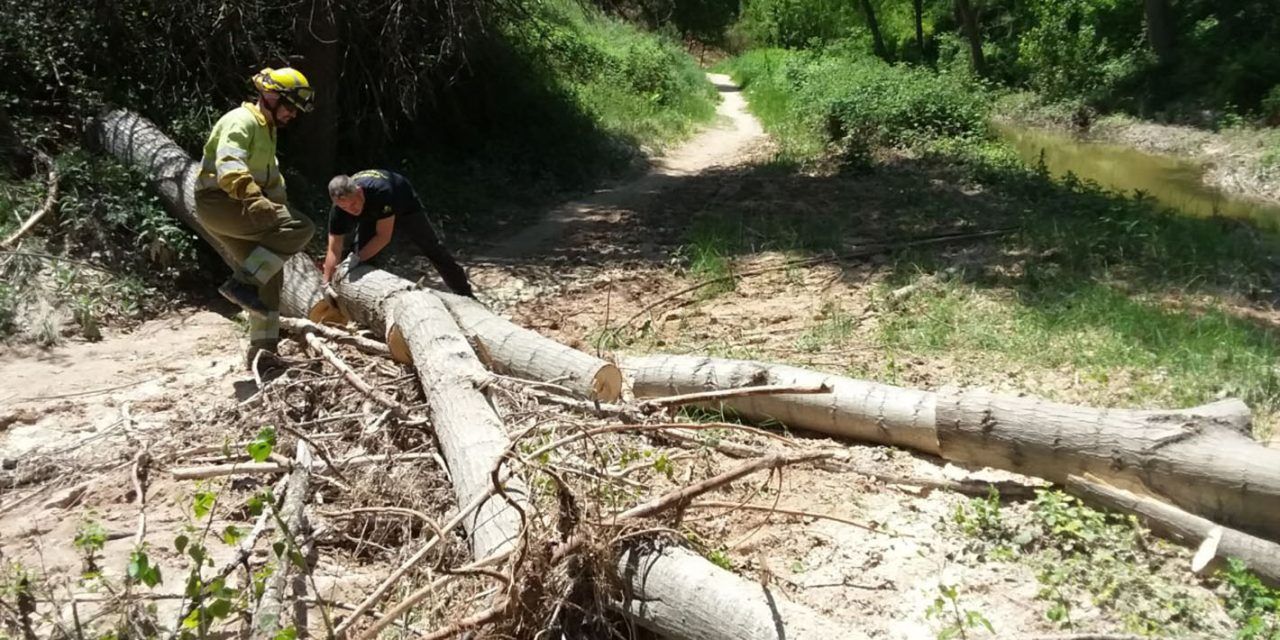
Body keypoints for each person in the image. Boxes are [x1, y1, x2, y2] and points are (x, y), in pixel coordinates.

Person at [194, 67, 317, 371]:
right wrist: (253, 198)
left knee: (270, 276)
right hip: (222, 204)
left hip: (235, 207)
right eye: (290, 107)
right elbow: (229, 164)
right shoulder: (241, 121)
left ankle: (263, 355)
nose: (292, 115)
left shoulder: (266, 130)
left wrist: (277, 210)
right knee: (301, 226)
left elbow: (273, 180)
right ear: (272, 97)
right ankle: (241, 283)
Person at [323, 169, 475, 298]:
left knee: (431, 247)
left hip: (402, 201)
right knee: (361, 255)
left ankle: (464, 293)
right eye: (344, 207)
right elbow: (333, 248)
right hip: (371, 208)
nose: (351, 209)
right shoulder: (339, 209)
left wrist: (355, 259)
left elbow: (383, 236)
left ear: (359, 191)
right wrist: (326, 283)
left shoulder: (381, 192)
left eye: (353, 203)